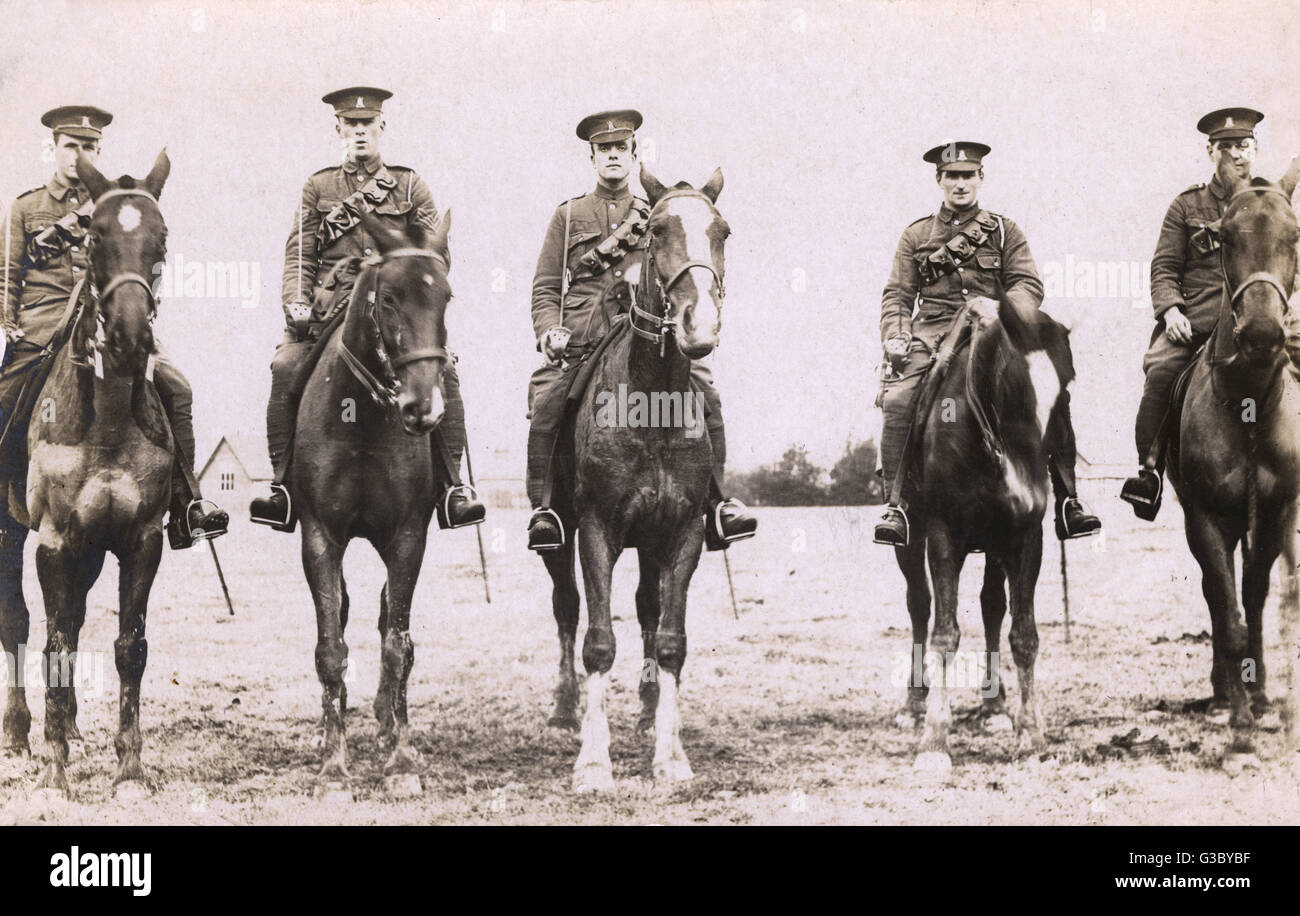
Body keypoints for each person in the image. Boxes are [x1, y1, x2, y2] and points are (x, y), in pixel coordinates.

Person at [249, 86, 484, 531]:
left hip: (393, 310)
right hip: (329, 308)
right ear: (338, 128)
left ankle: (454, 486)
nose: (359, 132)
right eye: (350, 125)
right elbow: (299, 255)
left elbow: (436, 255)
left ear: (381, 127)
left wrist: (404, 277)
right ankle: (281, 484)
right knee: (284, 366)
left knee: (443, 371)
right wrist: (295, 300)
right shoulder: (318, 186)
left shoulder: (411, 184)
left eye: (367, 124)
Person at [525, 109, 757, 551]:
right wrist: (549, 331)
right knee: (548, 401)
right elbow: (546, 286)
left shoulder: (661, 213)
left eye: (620, 148)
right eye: (603, 149)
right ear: (592, 158)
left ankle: (717, 505)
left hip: (650, 336)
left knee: (706, 394)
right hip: (585, 337)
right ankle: (547, 510)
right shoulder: (569, 216)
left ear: (633, 155)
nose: (612, 156)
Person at [0, 105, 227, 551]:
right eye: (70, 146)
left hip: (105, 320)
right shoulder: (28, 207)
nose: (77, 154)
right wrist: (9, 321)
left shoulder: (118, 207)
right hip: (44, 323)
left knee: (176, 388)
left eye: (87, 146)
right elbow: (8, 273)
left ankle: (186, 504)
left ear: (97, 151)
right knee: (6, 394)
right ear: (54, 148)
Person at [874, 140, 1100, 546]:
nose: (960, 184)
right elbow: (898, 294)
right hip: (934, 333)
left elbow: (1028, 284)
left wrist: (1003, 309)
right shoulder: (917, 235)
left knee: (1051, 392)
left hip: (993, 331)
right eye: (952, 177)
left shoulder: (1005, 231)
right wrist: (896, 334)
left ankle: (1069, 499)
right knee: (898, 399)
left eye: (968, 176)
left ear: (981, 178)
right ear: (939, 180)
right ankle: (898, 504)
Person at [1121, 107, 1300, 519]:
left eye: (1243, 145)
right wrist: (1170, 312)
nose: (1235, 155)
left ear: (1256, 149)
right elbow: (1165, 267)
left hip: (1265, 317)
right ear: (1210, 152)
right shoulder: (1187, 205)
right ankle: (1148, 473)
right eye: (1225, 147)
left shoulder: (1272, 203)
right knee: (1161, 368)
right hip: (1198, 320)